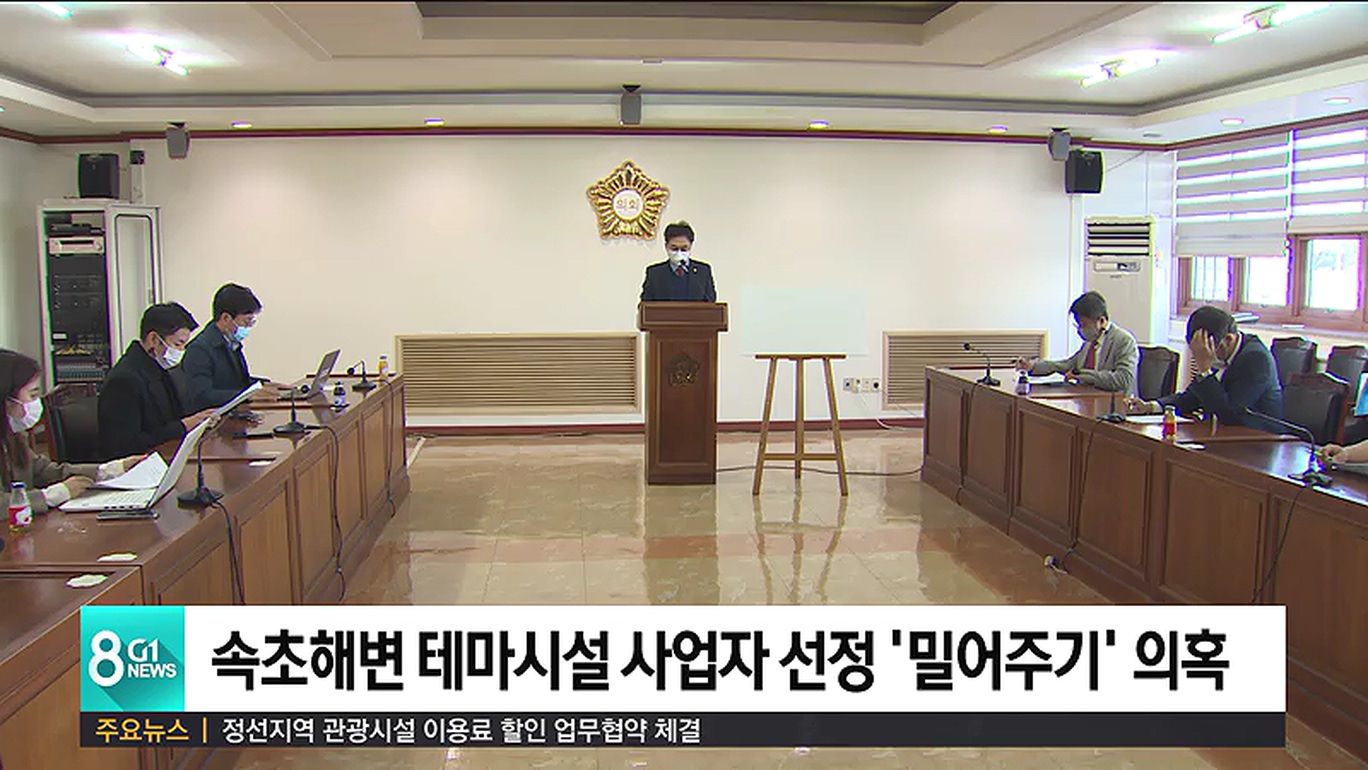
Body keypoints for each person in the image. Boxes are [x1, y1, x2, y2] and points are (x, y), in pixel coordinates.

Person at [1, 349, 144, 515]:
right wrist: (51, 496)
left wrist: (112, 470)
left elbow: (43, 471)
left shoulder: (13, 434)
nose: (37, 402)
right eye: (32, 395)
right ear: (6, 400)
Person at [1125, 305, 1283, 428]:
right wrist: (1151, 406)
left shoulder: (1256, 359)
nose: (1202, 356)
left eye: (1205, 351)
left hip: (1260, 440)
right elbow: (1191, 398)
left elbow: (1230, 414)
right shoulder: (1223, 353)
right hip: (1226, 435)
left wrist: (1205, 370)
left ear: (1228, 339)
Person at [99, 303, 218, 460]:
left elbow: (173, 417)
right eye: (177, 344)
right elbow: (125, 445)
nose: (181, 351)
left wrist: (199, 420)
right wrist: (183, 426)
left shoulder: (158, 369)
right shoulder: (124, 380)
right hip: (139, 465)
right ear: (154, 339)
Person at [1014, 291, 1138, 394]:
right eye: (1078, 325)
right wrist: (1033, 366)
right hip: (1086, 399)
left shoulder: (1124, 341)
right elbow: (1067, 365)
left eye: (1083, 325)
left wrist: (1082, 375)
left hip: (1112, 404)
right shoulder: (1090, 342)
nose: (1080, 329)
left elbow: (1124, 379)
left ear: (1101, 321)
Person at [183, 283, 277, 411]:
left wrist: (263, 385)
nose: (248, 327)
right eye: (246, 321)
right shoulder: (199, 350)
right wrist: (247, 395)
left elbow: (237, 381)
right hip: (215, 417)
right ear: (226, 318)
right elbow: (202, 395)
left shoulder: (230, 342)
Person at [640, 221, 717, 302]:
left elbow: (711, 302)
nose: (679, 252)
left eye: (684, 249)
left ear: (690, 246)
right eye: (674, 248)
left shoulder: (703, 272)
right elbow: (645, 304)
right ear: (666, 246)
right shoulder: (654, 274)